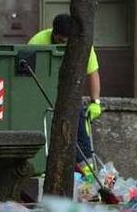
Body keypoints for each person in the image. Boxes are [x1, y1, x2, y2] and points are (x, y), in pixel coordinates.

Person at [28, 13, 102, 172]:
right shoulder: (38, 42)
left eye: (68, 41)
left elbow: (93, 72)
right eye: (61, 40)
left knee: (80, 128)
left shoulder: (82, 43)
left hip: (71, 96)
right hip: (43, 96)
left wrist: (95, 102)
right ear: (54, 34)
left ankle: (87, 175)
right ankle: (43, 169)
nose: (65, 44)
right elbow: (26, 75)